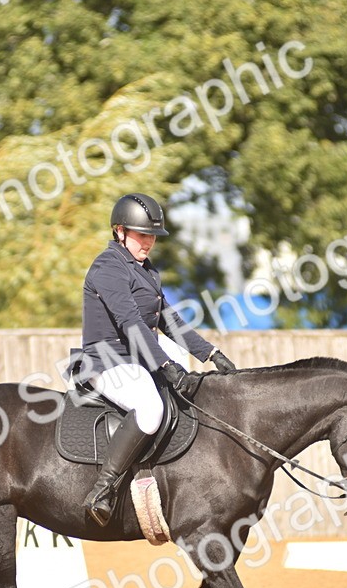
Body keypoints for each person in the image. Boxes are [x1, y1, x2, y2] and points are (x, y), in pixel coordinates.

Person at [78, 193, 237, 526]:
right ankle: (103, 490)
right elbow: (130, 322)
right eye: (141, 235)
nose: (148, 242)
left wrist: (210, 353)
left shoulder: (146, 271)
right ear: (119, 231)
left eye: (151, 236)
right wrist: (165, 365)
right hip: (107, 361)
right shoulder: (107, 267)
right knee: (150, 409)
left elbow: (168, 319)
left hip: (136, 359)